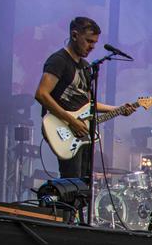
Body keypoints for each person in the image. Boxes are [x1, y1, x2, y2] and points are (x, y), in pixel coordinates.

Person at [34, 17, 137, 182]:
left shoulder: (84, 66)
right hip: (63, 127)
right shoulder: (59, 60)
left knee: (84, 181)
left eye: (95, 43)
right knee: (71, 180)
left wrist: (118, 109)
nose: (92, 47)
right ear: (74, 35)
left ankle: (78, 207)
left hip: (82, 129)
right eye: (89, 41)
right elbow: (41, 94)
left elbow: (88, 104)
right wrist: (72, 121)